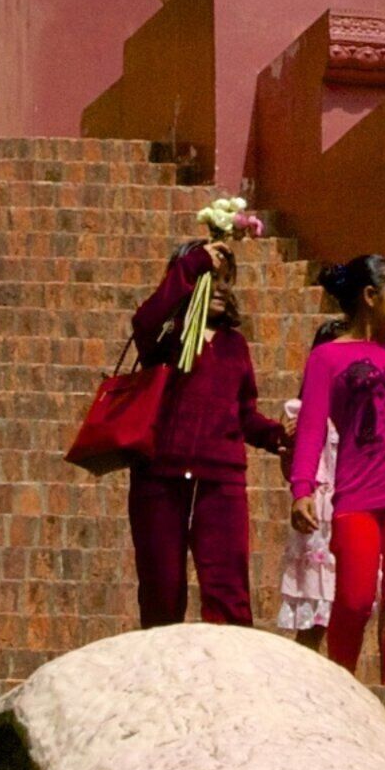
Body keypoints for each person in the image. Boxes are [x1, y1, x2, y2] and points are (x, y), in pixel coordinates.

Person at [123, 198, 284, 628]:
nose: (220, 287)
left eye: (225, 280)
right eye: (209, 279)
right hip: (161, 475)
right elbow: (145, 320)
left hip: (221, 479)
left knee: (229, 589)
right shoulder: (167, 335)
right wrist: (195, 261)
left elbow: (244, 413)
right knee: (162, 588)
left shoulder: (235, 346)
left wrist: (275, 435)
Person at [287, 255, 385, 684]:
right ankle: (341, 689)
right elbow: (311, 427)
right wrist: (302, 488)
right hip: (356, 498)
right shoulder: (327, 358)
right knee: (354, 599)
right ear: (370, 296)